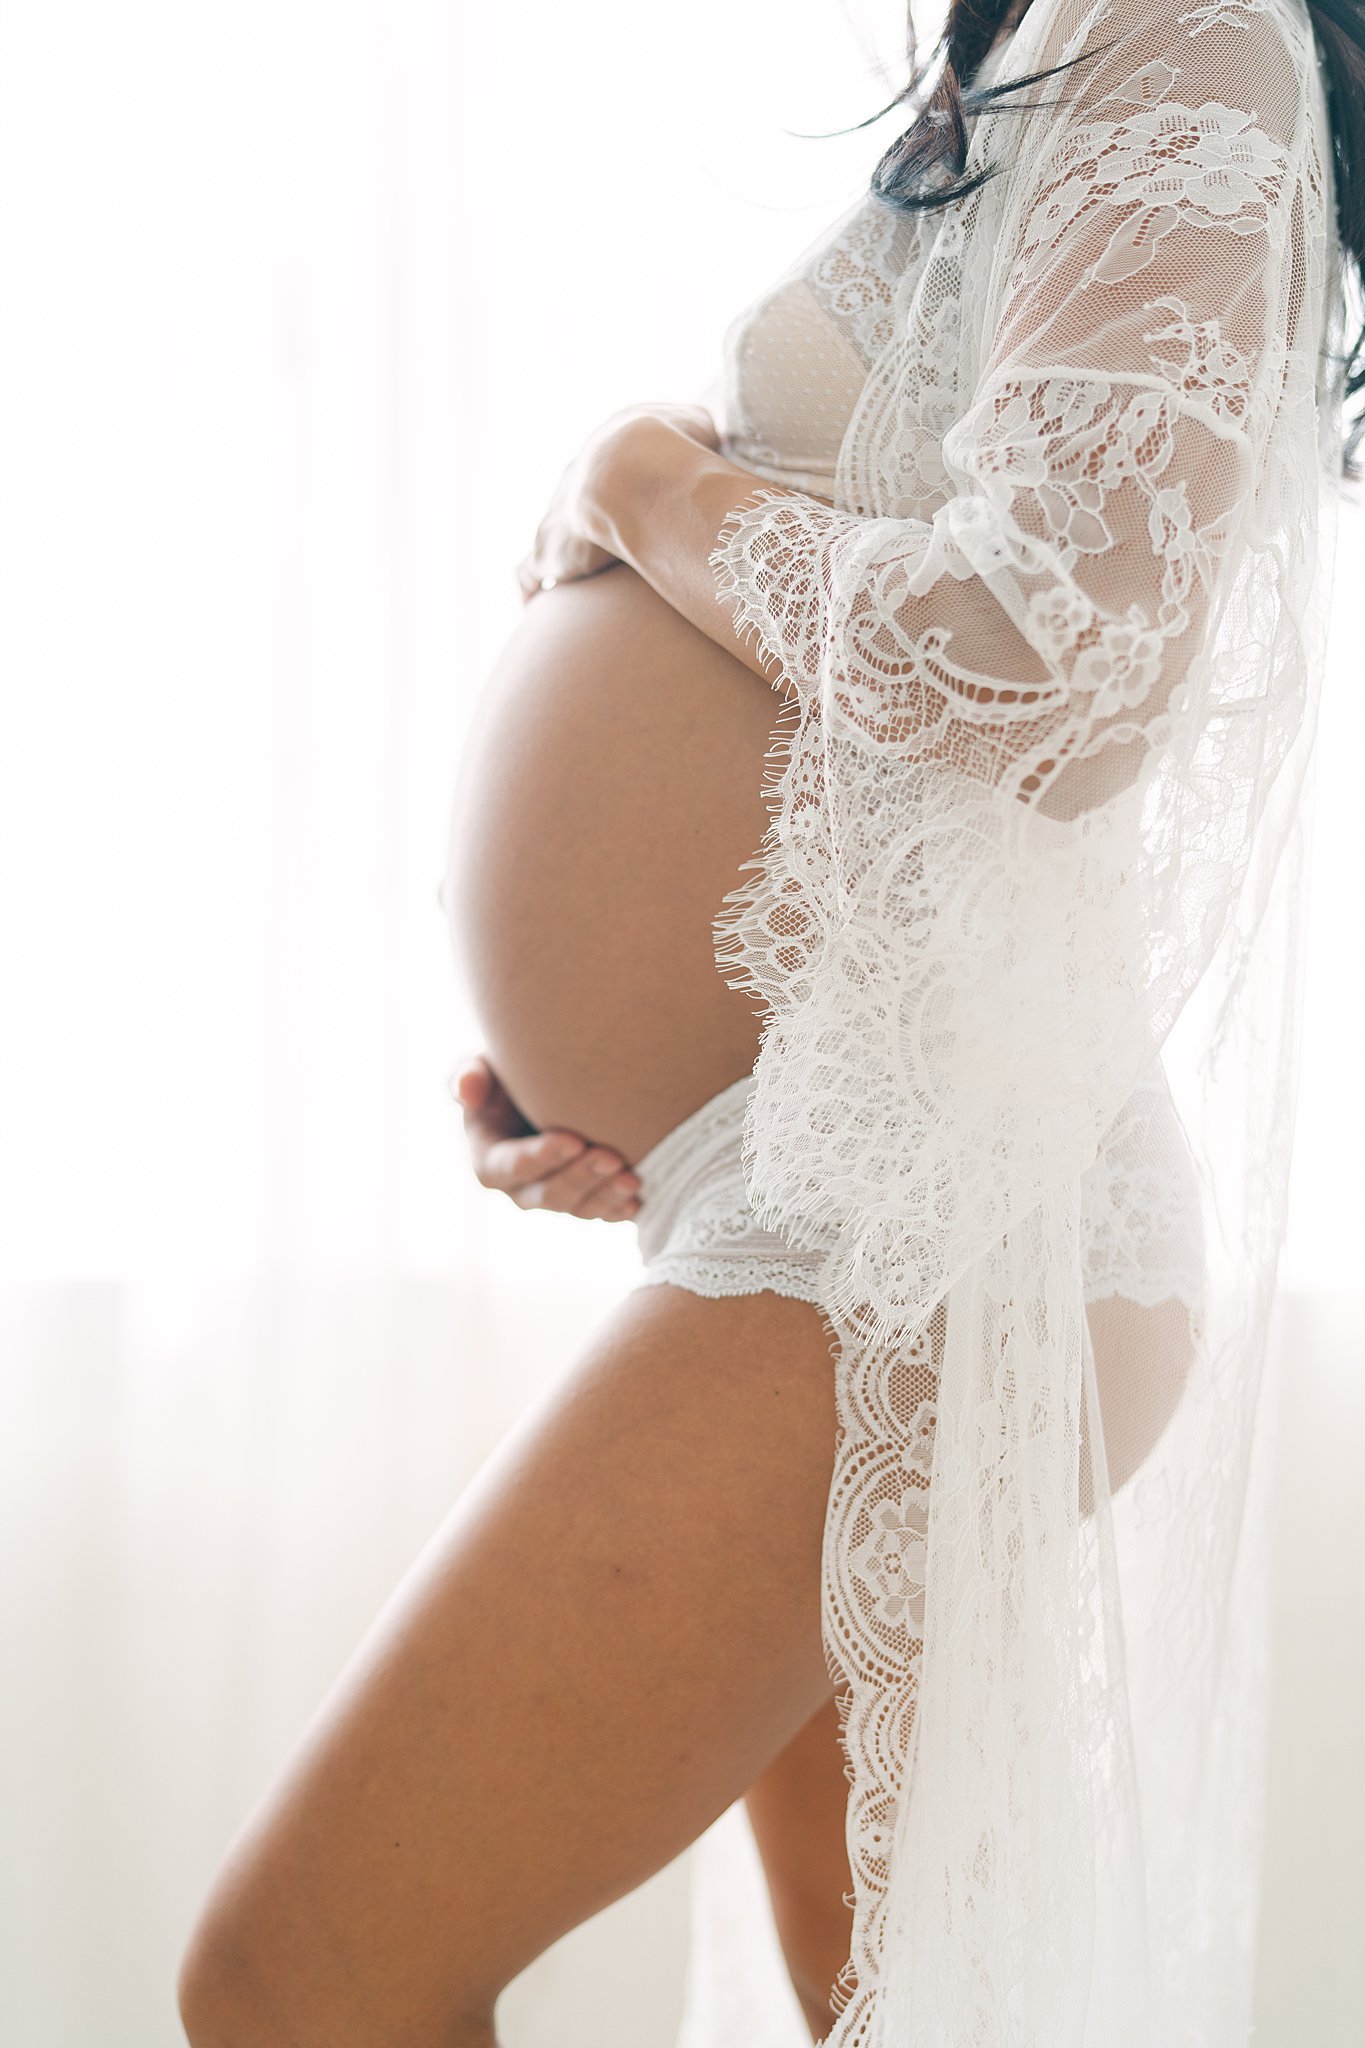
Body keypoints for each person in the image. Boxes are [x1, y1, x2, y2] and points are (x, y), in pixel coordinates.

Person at [177, 0, 1356, 2041]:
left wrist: (640, 486)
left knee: (305, 1982)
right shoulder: (1053, 49)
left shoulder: (1179, 30)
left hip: (913, 1199)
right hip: (821, 1152)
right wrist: (573, 1044)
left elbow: (1052, 664)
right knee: (893, 2007)